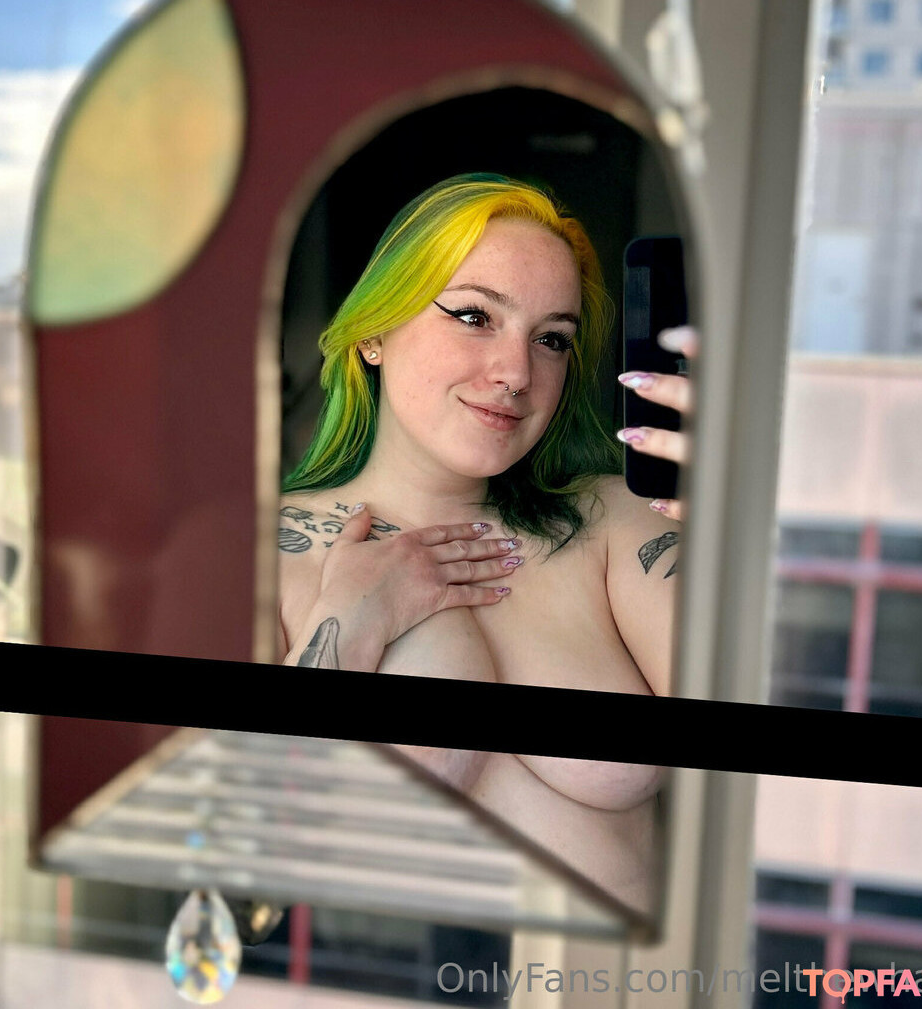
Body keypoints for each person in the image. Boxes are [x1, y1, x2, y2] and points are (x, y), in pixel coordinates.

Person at [277, 173, 691, 913]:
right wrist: (354, 615)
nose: (516, 374)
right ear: (373, 331)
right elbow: (243, 853)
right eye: (474, 316)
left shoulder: (618, 523)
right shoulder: (257, 553)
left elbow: (774, 767)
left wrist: (759, 532)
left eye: (552, 339)